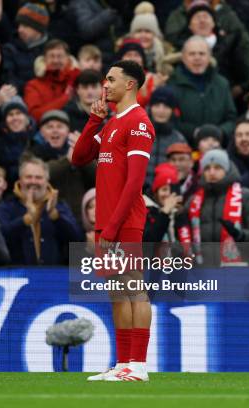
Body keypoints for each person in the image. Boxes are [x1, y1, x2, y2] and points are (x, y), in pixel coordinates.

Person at [73, 60, 154, 382]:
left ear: (130, 84)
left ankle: (139, 364)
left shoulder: (139, 123)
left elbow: (135, 184)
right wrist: (94, 120)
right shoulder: (111, 123)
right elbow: (79, 157)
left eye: (110, 79)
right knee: (117, 291)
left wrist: (112, 226)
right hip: (107, 220)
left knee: (135, 288)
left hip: (125, 220)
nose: (104, 85)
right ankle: (123, 363)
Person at [0, 156, 81, 265]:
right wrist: (26, 220)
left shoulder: (59, 205)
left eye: (38, 177)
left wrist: (55, 216)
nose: (33, 181)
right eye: (29, 177)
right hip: (17, 277)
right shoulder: (7, 206)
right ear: (20, 180)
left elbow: (77, 239)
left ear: (46, 180)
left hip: (55, 276)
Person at [183, 149, 249, 266]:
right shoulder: (192, 201)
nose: (212, 172)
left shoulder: (248, 197)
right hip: (202, 272)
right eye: (207, 168)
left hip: (240, 271)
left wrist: (240, 235)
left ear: (227, 170)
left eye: (217, 167)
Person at [29, 109, 95, 223]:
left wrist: (83, 155)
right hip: (48, 218)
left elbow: (99, 176)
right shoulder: (32, 152)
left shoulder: (77, 148)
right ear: (41, 132)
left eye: (60, 126)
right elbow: (39, 175)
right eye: (49, 127)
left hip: (81, 219)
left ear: (68, 131)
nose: (55, 131)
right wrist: (67, 161)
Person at [167, 36, 236, 143]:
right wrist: (194, 132)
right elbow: (169, 119)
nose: (197, 58)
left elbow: (231, 118)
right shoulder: (171, 84)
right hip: (181, 146)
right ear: (184, 58)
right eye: (192, 54)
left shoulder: (222, 84)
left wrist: (219, 132)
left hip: (216, 146)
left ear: (209, 57)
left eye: (202, 54)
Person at [23, 39, 80, 122]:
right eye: (51, 56)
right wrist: (65, 98)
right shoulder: (33, 85)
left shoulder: (78, 79)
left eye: (60, 56)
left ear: (68, 59)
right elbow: (34, 115)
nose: (55, 60)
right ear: (44, 59)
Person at [2, 3, 49, 91]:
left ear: (38, 29)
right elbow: (10, 80)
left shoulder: (51, 49)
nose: (20, 29)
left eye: (25, 26)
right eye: (19, 25)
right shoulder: (10, 50)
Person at [145, 86, 186, 188]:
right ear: (150, 108)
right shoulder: (138, 133)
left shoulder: (179, 139)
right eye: (157, 105)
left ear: (172, 111)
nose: (161, 110)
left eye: (166, 106)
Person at [0, 96, 34, 187]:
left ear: (27, 118)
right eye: (10, 114)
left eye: (18, 113)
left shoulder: (37, 140)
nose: (15, 118)